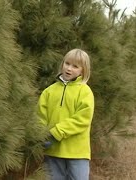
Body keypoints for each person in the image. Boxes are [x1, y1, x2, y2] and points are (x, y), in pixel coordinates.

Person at [37, 48, 95, 180]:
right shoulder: (49, 91)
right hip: (53, 151)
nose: (69, 68)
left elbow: (82, 119)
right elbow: (40, 117)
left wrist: (57, 132)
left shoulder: (85, 92)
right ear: (62, 64)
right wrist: (42, 136)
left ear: (83, 70)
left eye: (75, 66)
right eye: (67, 63)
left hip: (77, 152)